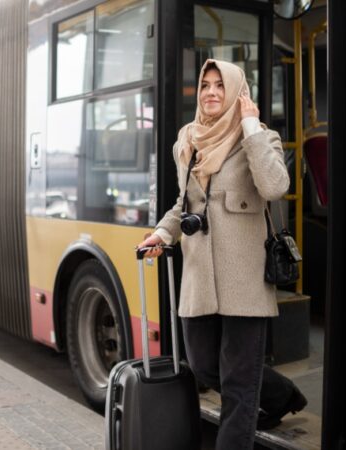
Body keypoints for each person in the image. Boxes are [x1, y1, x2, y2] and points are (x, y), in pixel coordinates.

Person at [137, 59, 306, 449]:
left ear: (237, 92)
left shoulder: (260, 137)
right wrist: (162, 234)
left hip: (244, 281)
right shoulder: (188, 141)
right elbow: (183, 206)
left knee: (238, 386)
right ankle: (283, 396)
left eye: (220, 86)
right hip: (199, 278)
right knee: (204, 365)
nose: (211, 93)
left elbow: (274, 186)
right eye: (205, 85)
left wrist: (249, 127)